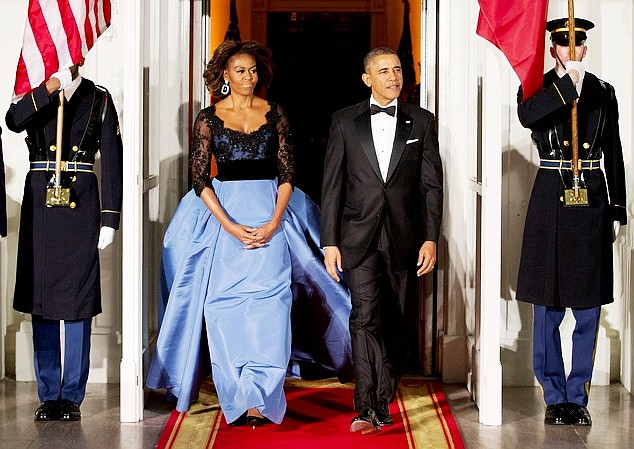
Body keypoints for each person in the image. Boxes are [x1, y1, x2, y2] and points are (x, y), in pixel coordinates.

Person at [146, 40, 353, 427]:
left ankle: (263, 398)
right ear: (225, 75)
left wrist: (275, 221)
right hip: (224, 221)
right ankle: (238, 397)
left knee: (272, 309)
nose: (248, 77)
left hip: (271, 214)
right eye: (240, 71)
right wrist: (229, 225)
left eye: (253, 71)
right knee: (224, 310)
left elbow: (289, 173)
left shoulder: (275, 113)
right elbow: (199, 180)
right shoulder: (208, 118)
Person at [320, 47, 443, 434]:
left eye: (398, 69)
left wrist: (430, 238)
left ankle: (384, 393)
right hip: (357, 236)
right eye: (384, 70)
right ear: (366, 78)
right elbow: (332, 187)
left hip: (405, 238)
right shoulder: (344, 121)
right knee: (363, 316)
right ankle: (367, 404)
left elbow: (431, 187)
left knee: (395, 320)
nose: (394, 77)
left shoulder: (421, 122)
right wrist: (330, 241)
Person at [516, 18, 627, 427]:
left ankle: (577, 395)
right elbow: (530, 118)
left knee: (587, 305)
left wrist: (618, 206)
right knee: (548, 303)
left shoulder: (603, 92)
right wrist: (567, 87)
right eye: (564, 44)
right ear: (552, 49)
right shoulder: (537, 89)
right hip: (550, 196)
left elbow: (612, 148)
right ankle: (553, 395)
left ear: (584, 48)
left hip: (591, 196)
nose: (572, 50)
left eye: (578, 43)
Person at [5, 61, 123, 421]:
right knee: (42, 300)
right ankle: (48, 393)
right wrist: (49, 88)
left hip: (81, 204)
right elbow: (13, 121)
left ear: (81, 58)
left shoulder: (99, 98)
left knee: (77, 300)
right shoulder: (35, 93)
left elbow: (113, 159)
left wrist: (109, 217)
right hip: (42, 203)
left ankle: (71, 394)